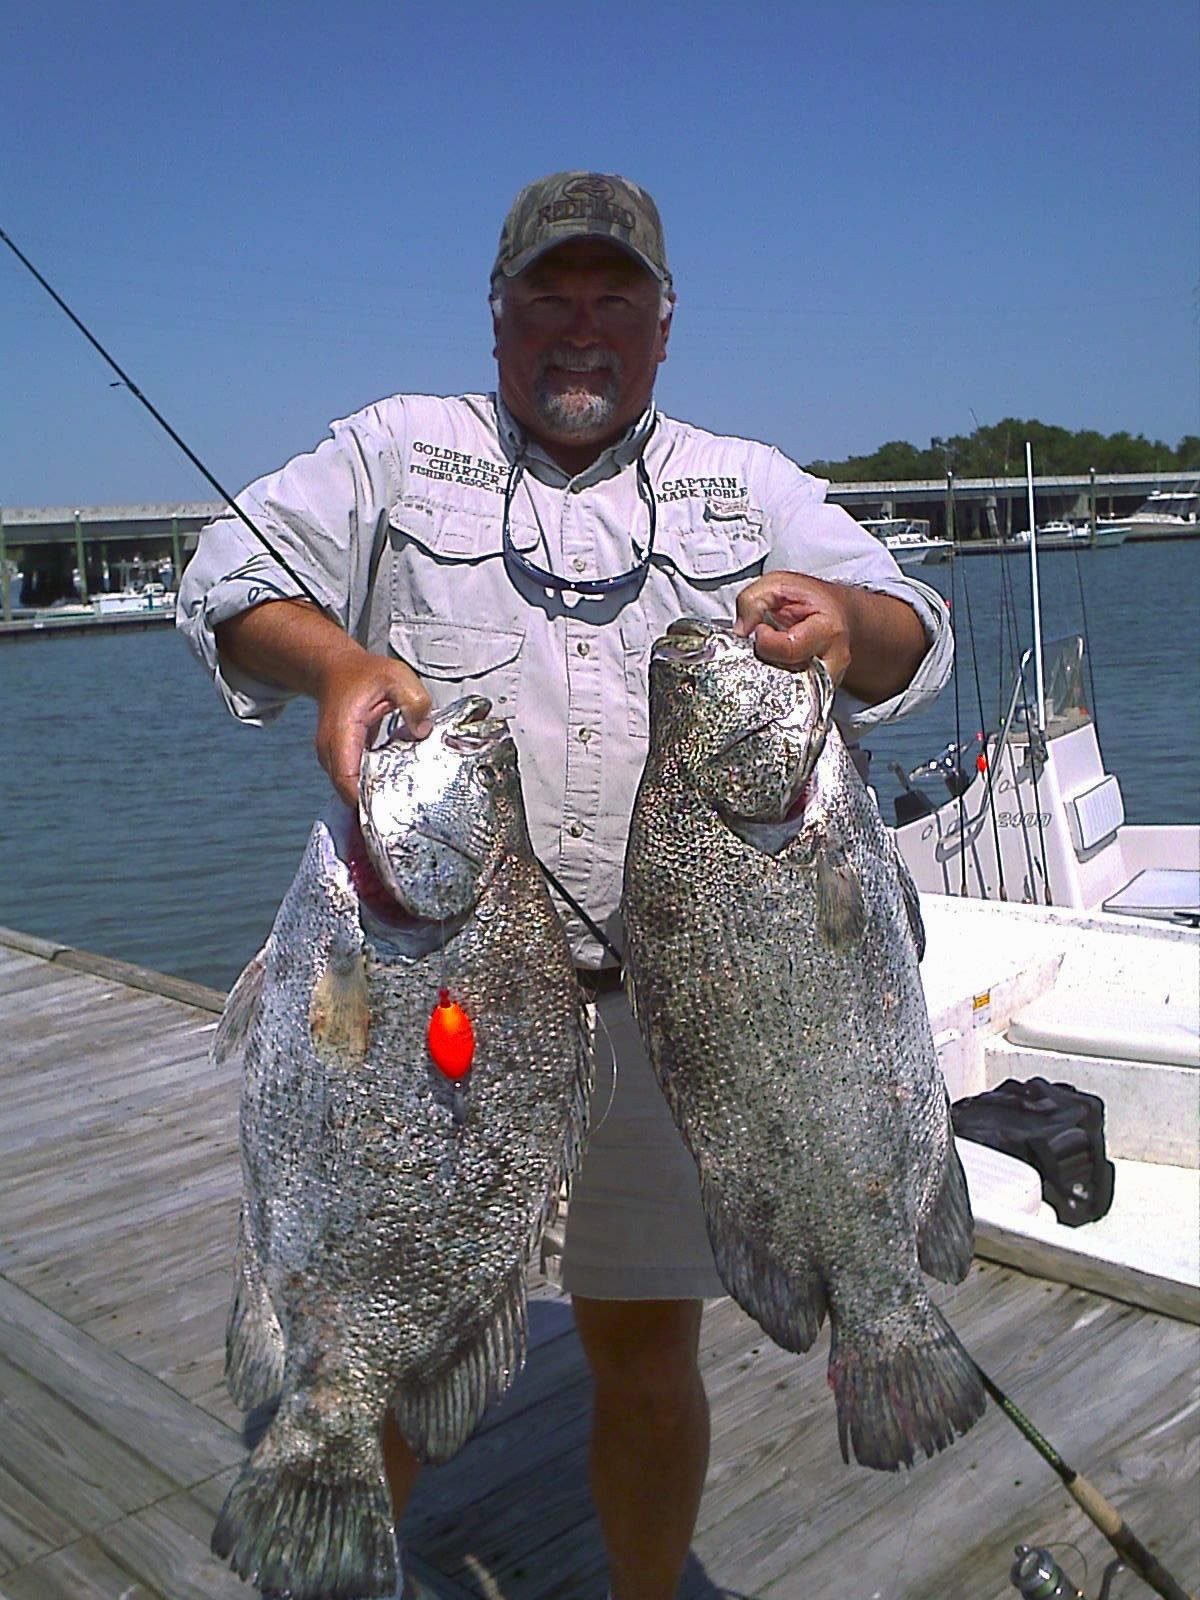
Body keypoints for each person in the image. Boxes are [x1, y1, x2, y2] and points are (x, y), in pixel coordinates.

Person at [178, 171, 952, 1600]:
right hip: (430, 1001)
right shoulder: (399, 452)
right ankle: (341, 1545)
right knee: (400, 1346)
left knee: (648, 1353)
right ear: (498, 317)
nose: (580, 331)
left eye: (614, 301)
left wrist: (845, 616)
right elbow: (225, 582)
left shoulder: (750, 484)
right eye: (550, 297)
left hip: (688, 1017)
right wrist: (340, 662)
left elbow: (911, 642)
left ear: (663, 325)